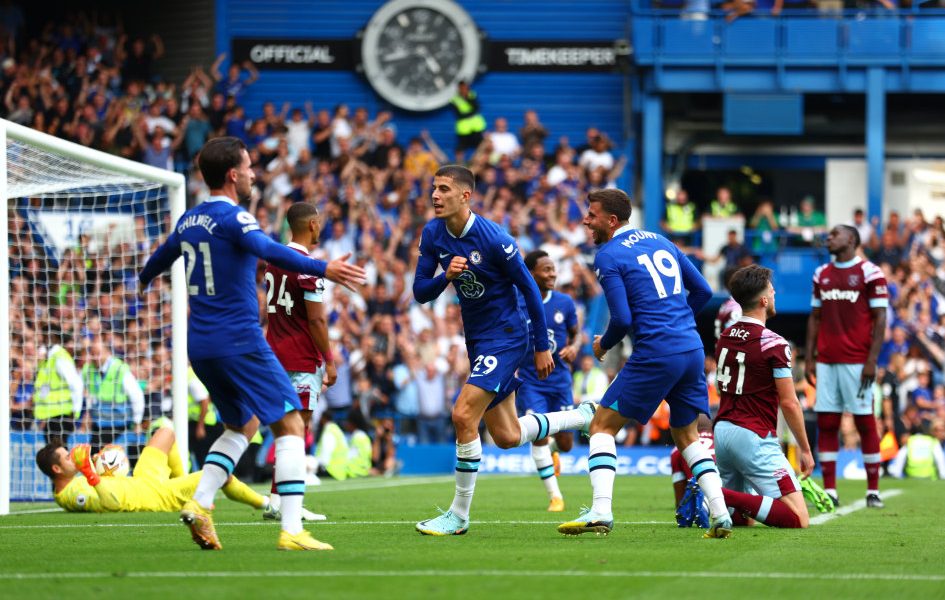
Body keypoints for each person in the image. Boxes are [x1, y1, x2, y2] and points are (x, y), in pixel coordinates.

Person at [137, 136, 365, 551]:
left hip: (201, 347)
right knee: (292, 424)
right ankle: (293, 530)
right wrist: (323, 267)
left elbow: (157, 261)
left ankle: (201, 502)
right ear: (232, 174)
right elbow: (271, 250)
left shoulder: (188, 220)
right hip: (240, 340)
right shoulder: (236, 220)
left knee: (240, 425)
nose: (253, 174)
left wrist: (142, 281)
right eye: (248, 167)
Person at [412, 165, 596, 536]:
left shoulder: (495, 238)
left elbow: (529, 290)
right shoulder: (433, 234)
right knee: (508, 436)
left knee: (463, 415)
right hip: (477, 338)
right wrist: (444, 278)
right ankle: (581, 417)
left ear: (465, 196)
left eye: (444, 189)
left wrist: (542, 346)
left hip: (508, 336)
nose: (435, 195)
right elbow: (419, 291)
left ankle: (458, 516)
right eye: (434, 188)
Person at [557, 188, 732, 539]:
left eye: (591, 215)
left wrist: (602, 345)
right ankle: (720, 513)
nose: (586, 221)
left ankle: (601, 510)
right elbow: (701, 292)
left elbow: (620, 319)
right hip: (691, 348)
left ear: (611, 220)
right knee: (686, 435)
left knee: (602, 426)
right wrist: (676, 321)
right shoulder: (660, 240)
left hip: (657, 351)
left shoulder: (607, 256)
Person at [712, 264, 831, 530]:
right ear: (764, 300)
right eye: (771, 289)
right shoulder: (774, 343)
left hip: (723, 431)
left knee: (743, 519)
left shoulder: (724, 337)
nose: (775, 292)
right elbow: (789, 402)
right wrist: (806, 450)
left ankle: (721, 495)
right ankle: (715, 492)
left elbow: (723, 388)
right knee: (798, 518)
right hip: (753, 436)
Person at [262, 201, 337, 522]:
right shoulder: (308, 265)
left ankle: (276, 499)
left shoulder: (273, 263)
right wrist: (330, 361)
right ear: (312, 225)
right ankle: (291, 502)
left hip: (273, 352)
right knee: (298, 430)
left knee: (285, 430)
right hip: (301, 358)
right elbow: (317, 321)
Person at [805, 225, 888, 508]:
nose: (828, 238)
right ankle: (831, 491)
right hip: (827, 360)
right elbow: (815, 317)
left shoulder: (870, 273)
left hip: (858, 361)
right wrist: (810, 357)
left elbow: (880, 318)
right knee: (828, 423)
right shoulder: (821, 274)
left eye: (834, 234)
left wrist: (872, 359)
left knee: (865, 422)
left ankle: (872, 491)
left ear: (851, 240)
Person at [35, 427, 265, 514]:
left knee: (165, 433)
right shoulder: (73, 496)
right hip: (155, 496)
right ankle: (266, 505)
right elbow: (112, 504)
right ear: (56, 469)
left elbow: (110, 485)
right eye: (67, 457)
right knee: (222, 475)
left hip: (141, 479)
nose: (72, 457)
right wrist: (90, 473)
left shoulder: (75, 482)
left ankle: (186, 490)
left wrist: (100, 467)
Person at [517, 250, 582, 512]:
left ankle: (555, 450)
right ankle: (555, 496)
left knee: (565, 444)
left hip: (560, 381)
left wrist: (575, 347)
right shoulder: (518, 302)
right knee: (539, 434)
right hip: (531, 382)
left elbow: (577, 335)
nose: (553, 274)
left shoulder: (565, 303)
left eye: (553, 269)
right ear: (531, 273)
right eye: (546, 269)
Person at [80, 335, 145, 453]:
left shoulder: (119, 369)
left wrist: (137, 422)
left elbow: (137, 396)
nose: (95, 357)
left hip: (118, 422)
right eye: (92, 354)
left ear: (107, 352)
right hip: (99, 421)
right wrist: (88, 414)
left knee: (100, 454)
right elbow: (90, 395)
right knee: (94, 454)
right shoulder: (88, 370)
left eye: (98, 353)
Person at [32, 330, 83, 443]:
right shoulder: (47, 360)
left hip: (61, 415)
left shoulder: (60, 358)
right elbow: (46, 387)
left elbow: (76, 384)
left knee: (58, 452)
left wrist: (76, 410)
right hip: (51, 415)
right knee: (54, 452)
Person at [450, 81, 486, 164]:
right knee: (461, 148)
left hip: (476, 128)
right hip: (464, 130)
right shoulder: (454, 99)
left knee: (480, 147)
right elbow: (459, 114)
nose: (464, 89)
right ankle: (461, 164)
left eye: (466, 88)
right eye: (462, 88)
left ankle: (477, 162)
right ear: (459, 88)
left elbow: (477, 108)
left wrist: (467, 98)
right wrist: (470, 113)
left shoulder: (472, 95)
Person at [714, 267, 743, 340]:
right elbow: (735, 339)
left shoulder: (726, 304)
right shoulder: (737, 308)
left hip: (722, 348)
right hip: (731, 349)